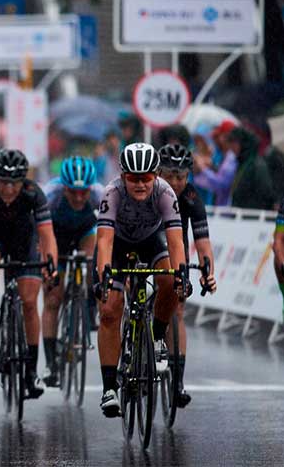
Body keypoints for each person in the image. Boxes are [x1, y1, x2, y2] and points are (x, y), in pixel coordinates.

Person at [94, 142, 188, 418]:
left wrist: (182, 273)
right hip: (118, 245)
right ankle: (109, 389)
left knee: (170, 282)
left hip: (151, 240)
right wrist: (104, 276)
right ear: (123, 176)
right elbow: (104, 240)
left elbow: (176, 242)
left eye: (146, 177)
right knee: (110, 310)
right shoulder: (111, 193)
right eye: (133, 178)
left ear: (156, 175)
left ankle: (157, 338)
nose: (140, 184)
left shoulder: (165, 192)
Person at [0, 149, 58, 399]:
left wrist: (52, 266)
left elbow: (48, 236)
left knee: (29, 302)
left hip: (24, 242)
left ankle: (31, 371)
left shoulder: (33, 193)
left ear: (23, 180)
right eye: (2, 182)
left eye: (14, 183)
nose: (8, 189)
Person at [157, 144, 218, 408]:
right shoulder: (149, 191)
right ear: (158, 173)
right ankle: (133, 345)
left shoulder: (192, 197)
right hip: (148, 246)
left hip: (175, 250)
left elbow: (202, 242)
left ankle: (177, 381)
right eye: (169, 175)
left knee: (177, 310)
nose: (175, 182)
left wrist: (207, 273)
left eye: (180, 176)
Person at [40, 156, 103, 387]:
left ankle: (89, 305)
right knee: (53, 297)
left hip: (85, 232)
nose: (79, 197)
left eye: (83, 192)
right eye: (73, 192)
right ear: (64, 187)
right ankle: (50, 364)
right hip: (55, 235)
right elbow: (39, 234)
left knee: (92, 264)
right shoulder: (50, 195)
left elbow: (109, 229)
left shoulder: (99, 194)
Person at [226, 127, 277, 210]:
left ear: (243, 143)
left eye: (234, 143)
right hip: (239, 217)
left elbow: (266, 193)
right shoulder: (243, 163)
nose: (231, 147)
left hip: (252, 218)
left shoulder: (256, 164)